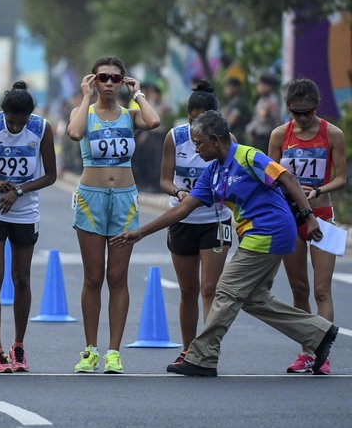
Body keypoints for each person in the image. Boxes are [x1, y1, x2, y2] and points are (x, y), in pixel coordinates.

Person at [111, 110, 338, 376]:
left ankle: (202, 357)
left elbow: (287, 178)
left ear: (216, 140)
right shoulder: (213, 173)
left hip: (271, 230)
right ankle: (319, 333)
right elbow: (182, 210)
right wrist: (141, 232)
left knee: (226, 290)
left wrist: (309, 217)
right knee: (254, 298)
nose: (196, 149)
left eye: (199, 143)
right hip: (255, 234)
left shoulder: (248, 156)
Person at [65, 55, 161, 374]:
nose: (108, 84)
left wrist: (139, 94)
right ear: (93, 81)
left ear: (123, 82)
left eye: (115, 79)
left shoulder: (130, 115)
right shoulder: (85, 112)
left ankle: (113, 352)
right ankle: (90, 349)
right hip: (91, 199)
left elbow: (154, 121)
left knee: (117, 277)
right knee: (93, 277)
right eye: (102, 78)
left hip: (124, 198)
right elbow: (75, 133)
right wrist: (86, 97)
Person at [0, 82, 56, 372]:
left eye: (22, 122)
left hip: (24, 211)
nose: (16, 128)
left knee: (22, 279)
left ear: (31, 116)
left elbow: (51, 175)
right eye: (12, 122)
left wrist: (18, 191)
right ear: (3, 113)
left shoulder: (42, 128)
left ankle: (18, 346)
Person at [268, 79, 346, 375]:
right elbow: (270, 176)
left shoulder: (332, 134)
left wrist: (318, 189)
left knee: (322, 290)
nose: (302, 118)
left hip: (322, 214)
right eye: (296, 112)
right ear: (288, 107)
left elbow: (342, 178)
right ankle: (306, 351)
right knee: (298, 289)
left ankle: (322, 355)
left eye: (308, 112)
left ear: (317, 106)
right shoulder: (279, 135)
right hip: (290, 218)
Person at [158, 80, 232, 365]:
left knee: (209, 288)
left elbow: (235, 180)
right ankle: (188, 350)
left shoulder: (228, 141)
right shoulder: (174, 137)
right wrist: (178, 192)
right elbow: (164, 180)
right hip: (182, 219)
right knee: (188, 290)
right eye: (192, 122)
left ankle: (209, 350)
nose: (196, 132)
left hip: (216, 220)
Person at [245, 73, 281, 152]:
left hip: (266, 138)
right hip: (258, 137)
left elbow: (267, 120)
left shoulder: (272, 101)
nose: (259, 87)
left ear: (270, 87)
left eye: (262, 84)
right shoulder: (262, 99)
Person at [221, 77, 251, 145]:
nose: (226, 89)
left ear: (236, 88)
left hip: (238, 137)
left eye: (228, 86)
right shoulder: (231, 102)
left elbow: (232, 120)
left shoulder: (239, 102)